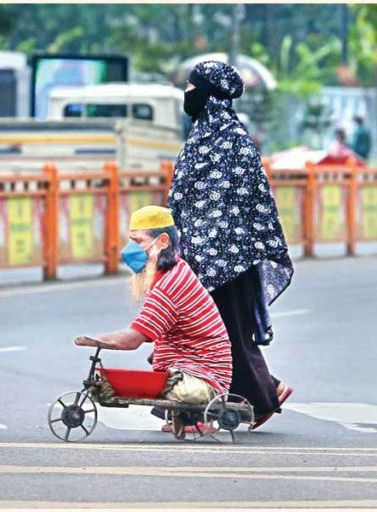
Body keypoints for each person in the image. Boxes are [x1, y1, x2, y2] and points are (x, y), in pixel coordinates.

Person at [168, 61, 294, 430]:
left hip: (230, 262)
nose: (188, 96)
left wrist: (215, 248)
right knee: (208, 333)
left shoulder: (233, 140)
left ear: (210, 93)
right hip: (198, 259)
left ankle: (246, 401)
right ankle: (263, 392)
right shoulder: (201, 137)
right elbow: (188, 199)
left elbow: (245, 204)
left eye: (193, 88)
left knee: (219, 335)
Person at [74, 206, 232, 436]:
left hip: (204, 377)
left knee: (149, 388)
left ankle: (197, 415)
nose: (131, 250)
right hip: (188, 365)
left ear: (163, 241)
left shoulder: (171, 283)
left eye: (138, 241)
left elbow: (132, 339)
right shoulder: (171, 273)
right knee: (149, 381)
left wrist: (94, 340)